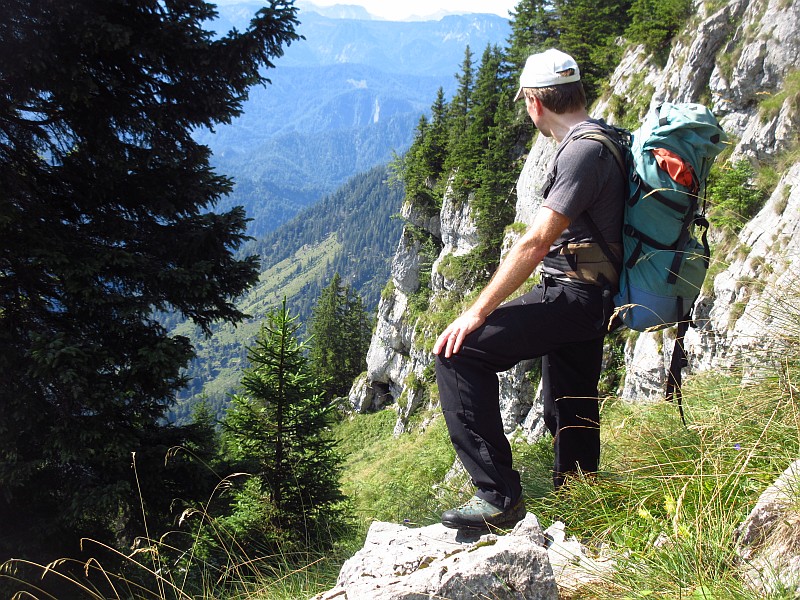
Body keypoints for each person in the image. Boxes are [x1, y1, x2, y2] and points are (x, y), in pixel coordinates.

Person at [433, 48, 627, 530]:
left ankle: (498, 496)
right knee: (570, 400)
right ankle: (582, 503)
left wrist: (476, 311)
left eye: (525, 101)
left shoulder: (583, 150)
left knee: (459, 354)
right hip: (595, 295)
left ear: (536, 103)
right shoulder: (605, 138)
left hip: (573, 294)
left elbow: (536, 241)